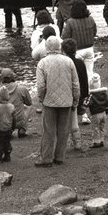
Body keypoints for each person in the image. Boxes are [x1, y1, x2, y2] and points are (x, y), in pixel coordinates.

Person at [35, 36, 80, 167]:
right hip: (66, 101)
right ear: (59, 47)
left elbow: (41, 86)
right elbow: (75, 83)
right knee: (63, 130)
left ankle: (46, 159)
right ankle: (59, 157)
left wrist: (42, 98)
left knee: (48, 130)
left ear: (47, 48)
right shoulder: (69, 61)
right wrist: (75, 99)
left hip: (49, 101)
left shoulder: (42, 63)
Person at [62, 37, 90, 150]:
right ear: (75, 50)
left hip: (66, 95)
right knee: (74, 120)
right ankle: (77, 142)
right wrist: (85, 95)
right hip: (78, 95)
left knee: (65, 121)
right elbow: (84, 80)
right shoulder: (80, 62)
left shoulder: (64, 64)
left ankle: (64, 144)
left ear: (63, 51)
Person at [61, 0, 98, 82]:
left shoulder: (70, 22)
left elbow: (64, 37)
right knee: (89, 73)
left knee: (76, 75)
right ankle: (89, 90)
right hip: (89, 49)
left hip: (77, 51)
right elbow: (94, 32)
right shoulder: (91, 19)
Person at [0, 68, 33, 137]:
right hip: (19, 121)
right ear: (12, 77)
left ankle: (8, 131)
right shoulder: (21, 89)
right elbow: (29, 103)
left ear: (2, 78)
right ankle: (22, 129)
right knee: (28, 107)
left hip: (5, 122)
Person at [85, 74, 108, 148]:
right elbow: (107, 103)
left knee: (95, 128)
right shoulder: (103, 93)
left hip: (95, 114)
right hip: (104, 113)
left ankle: (96, 142)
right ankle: (102, 140)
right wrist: (107, 111)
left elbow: (87, 103)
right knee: (102, 127)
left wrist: (84, 100)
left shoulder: (91, 95)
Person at [0, 87, 15, 163]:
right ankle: (7, 155)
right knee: (7, 142)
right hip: (8, 128)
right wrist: (13, 127)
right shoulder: (11, 106)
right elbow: (14, 118)